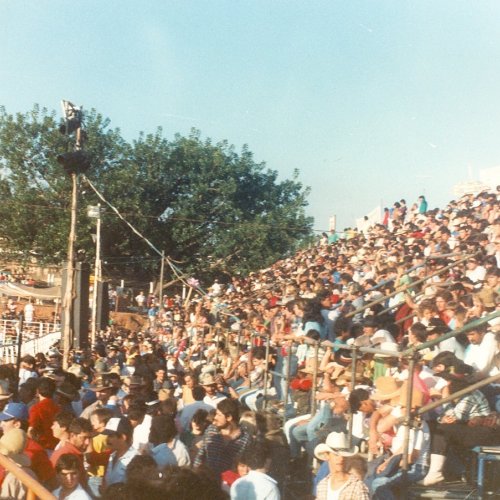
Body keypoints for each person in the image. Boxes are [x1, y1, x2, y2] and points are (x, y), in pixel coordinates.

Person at [194, 398, 252, 477]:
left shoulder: (245, 439)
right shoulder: (211, 430)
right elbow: (200, 455)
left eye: (219, 415)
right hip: (208, 479)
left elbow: (245, 466)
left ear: (229, 417)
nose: (215, 418)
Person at [314, 432, 369, 500]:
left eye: (344, 455)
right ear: (327, 455)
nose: (341, 459)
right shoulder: (322, 485)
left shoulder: (357, 487)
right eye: (336, 455)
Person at [102, 416, 138, 488]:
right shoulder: (112, 456)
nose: (107, 439)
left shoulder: (135, 459)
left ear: (123, 437)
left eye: (111, 436)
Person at [28, 377, 61, 450]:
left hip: (43, 445)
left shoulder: (36, 408)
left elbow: (31, 430)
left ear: (37, 391)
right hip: (55, 445)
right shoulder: (58, 408)